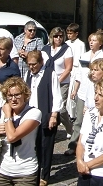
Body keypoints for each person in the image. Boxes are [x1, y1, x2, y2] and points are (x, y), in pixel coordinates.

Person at [0, 76, 42, 186]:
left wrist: (8, 115)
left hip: (25, 172)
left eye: (17, 95)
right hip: (2, 171)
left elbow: (12, 137)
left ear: (25, 95)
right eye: (10, 96)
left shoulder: (34, 113)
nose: (13, 99)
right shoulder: (0, 112)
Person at [66, 32, 103, 157]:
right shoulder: (84, 55)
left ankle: (90, 145)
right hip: (82, 92)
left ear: (100, 43)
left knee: (93, 121)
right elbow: (79, 74)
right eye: (90, 40)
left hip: (96, 92)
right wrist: (75, 89)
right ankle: (73, 144)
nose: (91, 42)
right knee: (79, 120)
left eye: (94, 40)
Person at [25, 50, 63, 186]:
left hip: (46, 114)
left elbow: (57, 96)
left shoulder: (50, 73)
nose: (31, 67)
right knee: (33, 145)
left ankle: (45, 176)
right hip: (31, 116)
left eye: (34, 64)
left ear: (41, 62)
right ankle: (34, 173)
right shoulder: (28, 74)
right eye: (29, 64)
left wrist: (54, 115)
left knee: (46, 146)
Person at [42, 27, 74, 136]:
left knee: (61, 108)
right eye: (56, 36)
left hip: (62, 82)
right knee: (49, 106)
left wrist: (57, 81)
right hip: (48, 82)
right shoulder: (45, 49)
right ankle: (50, 130)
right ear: (52, 37)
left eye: (61, 36)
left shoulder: (67, 49)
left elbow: (68, 68)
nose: (58, 38)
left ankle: (71, 130)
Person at [66, 23, 86, 122]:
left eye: (71, 33)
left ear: (76, 33)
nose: (69, 35)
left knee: (74, 92)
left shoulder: (81, 44)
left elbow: (82, 59)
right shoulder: (66, 43)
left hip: (76, 69)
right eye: (68, 33)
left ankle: (73, 115)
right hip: (68, 69)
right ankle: (68, 114)